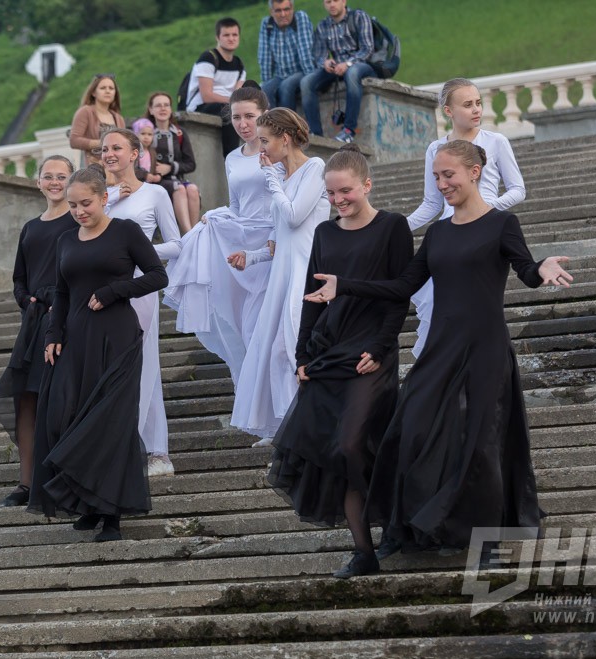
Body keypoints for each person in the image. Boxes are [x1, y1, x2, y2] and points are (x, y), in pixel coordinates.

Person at [304, 140, 573, 564]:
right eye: (436, 177)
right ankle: (410, 526)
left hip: (485, 348)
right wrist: (345, 285)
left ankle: (486, 542)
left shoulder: (502, 224)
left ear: (474, 172)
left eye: (448, 175)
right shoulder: (438, 233)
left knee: (481, 442)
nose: (442, 184)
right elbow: (401, 287)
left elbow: (525, 270)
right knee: (408, 430)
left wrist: (542, 268)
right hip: (441, 348)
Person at [267, 144, 412, 579]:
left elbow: (399, 295)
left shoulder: (393, 227)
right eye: (330, 194)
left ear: (366, 184)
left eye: (345, 191)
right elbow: (311, 298)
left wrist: (382, 349)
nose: (338, 200)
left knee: (351, 444)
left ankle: (394, 515)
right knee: (335, 450)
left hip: (371, 353)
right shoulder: (325, 233)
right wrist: (301, 355)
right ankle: (364, 551)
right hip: (329, 351)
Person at [28, 164, 168, 543]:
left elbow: (158, 275)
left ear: (104, 198)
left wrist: (113, 291)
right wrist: (53, 333)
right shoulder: (66, 240)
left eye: (85, 203)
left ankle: (111, 515)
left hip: (116, 338)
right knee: (69, 417)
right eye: (73, 205)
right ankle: (88, 504)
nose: (78, 211)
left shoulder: (126, 231)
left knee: (111, 423)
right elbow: (61, 291)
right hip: (75, 340)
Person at [163, 85, 277, 391]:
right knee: (242, 327)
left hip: (271, 241)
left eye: (249, 116)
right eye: (237, 117)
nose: (243, 124)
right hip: (243, 241)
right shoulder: (233, 158)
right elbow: (237, 207)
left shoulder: (278, 152)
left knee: (261, 328)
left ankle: (274, 402)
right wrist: (218, 215)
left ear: (265, 115)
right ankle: (252, 402)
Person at [229, 108, 330, 444]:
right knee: (276, 352)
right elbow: (278, 241)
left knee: (290, 349)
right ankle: (288, 426)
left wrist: (271, 178)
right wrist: (252, 257)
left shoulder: (315, 168)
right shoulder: (282, 180)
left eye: (265, 141)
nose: (261, 148)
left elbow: (294, 216)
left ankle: (299, 428)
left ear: (284, 139)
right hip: (283, 273)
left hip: (305, 272)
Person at [406, 78, 526, 358]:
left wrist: (487, 208)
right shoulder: (435, 148)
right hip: (448, 234)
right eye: (468, 104)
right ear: (448, 111)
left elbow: (518, 189)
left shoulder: (496, 142)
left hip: (481, 232)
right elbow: (431, 203)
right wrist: (398, 226)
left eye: (478, 103)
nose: (476, 109)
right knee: (437, 303)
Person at [0, 155, 77, 508]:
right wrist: (28, 301)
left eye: (62, 176)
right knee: (26, 397)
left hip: (66, 318)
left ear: (72, 181)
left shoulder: (77, 220)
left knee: (58, 398)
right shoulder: (30, 227)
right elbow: (19, 279)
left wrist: (63, 305)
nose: (55, 182)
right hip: (34, 322)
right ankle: (27, 483)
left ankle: (63, 480)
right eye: (48, 176)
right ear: (38, 182)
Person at [103, 129, 183, 477]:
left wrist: (137, 253)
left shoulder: (155, 193)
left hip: (140, 286)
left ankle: (156, 450)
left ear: (135, 153)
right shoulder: (100, 196)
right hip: (103, 289)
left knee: (144, 363)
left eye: (116, 148)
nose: (109, 154)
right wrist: (107, 201)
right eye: (104, 149)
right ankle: (117, 444)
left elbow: (176, 244)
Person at [301, 0, 376, 143]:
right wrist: (325, 62)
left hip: (361, 65)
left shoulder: (359, 17)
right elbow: (318, 55)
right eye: (328, 1)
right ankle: (315, 133)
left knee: (352, 73)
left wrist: (348, 64)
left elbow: (367, 49)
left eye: (335, 0)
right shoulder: (323, 26)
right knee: (306, 82)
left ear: (343, 1)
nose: (332, 5)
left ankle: (348, 130)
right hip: (336, 68)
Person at [187, 17, 248, 156]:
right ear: (217, 37)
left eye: (234, 35)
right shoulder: (208, 58)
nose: (231, 38)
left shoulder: (239, 65)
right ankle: (231, 158)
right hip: (200, 106)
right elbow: (207, 96)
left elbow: (238, 93)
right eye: (226, 35)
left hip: (226, 104)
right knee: (230, 111)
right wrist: (234, 102)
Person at [145, 92, 201, 234]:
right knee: (179, 189)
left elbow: (191, 164)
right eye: (158, 105)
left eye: (166, 105)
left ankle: (194, 233)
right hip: (156, 181)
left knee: (193, 189)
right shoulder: (145, 133)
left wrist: (170, 168)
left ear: (171, 109)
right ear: (151, 110)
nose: (163, 108)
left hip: (177, 178)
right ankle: (188, 234)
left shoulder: (180, 133)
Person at [258, 0, 316, 109]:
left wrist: (310, 80)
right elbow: (265, 58)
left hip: (302, 71)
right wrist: (266, 82)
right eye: (278, 10)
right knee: (264, 91)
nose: (283, 14)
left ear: (292, 9)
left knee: (286, 86)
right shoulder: (267, 24)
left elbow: (305, 52)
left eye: (286, 9)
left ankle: (289, 120)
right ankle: (272, 120)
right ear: (271, 11)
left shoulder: (300, 18)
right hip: (281, 75)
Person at [69, 74, 125, 167]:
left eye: (111, 88)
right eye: (103, 88)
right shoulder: (85, 112)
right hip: (92, 168)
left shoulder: (118, 118)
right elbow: (74, 140)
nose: (107, 91)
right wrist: (103, 143)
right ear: (93, 93)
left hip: (114, 169)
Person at [131, 118, 161, 184]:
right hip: (136, 183)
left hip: (150, 184)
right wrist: (145, 175)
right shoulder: (133, 152)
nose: (146, 137)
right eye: (143, 133)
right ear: (136, 135)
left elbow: (155, 167)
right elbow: (131, 168)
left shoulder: (152, 152)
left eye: (149, 134)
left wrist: (158, 175)